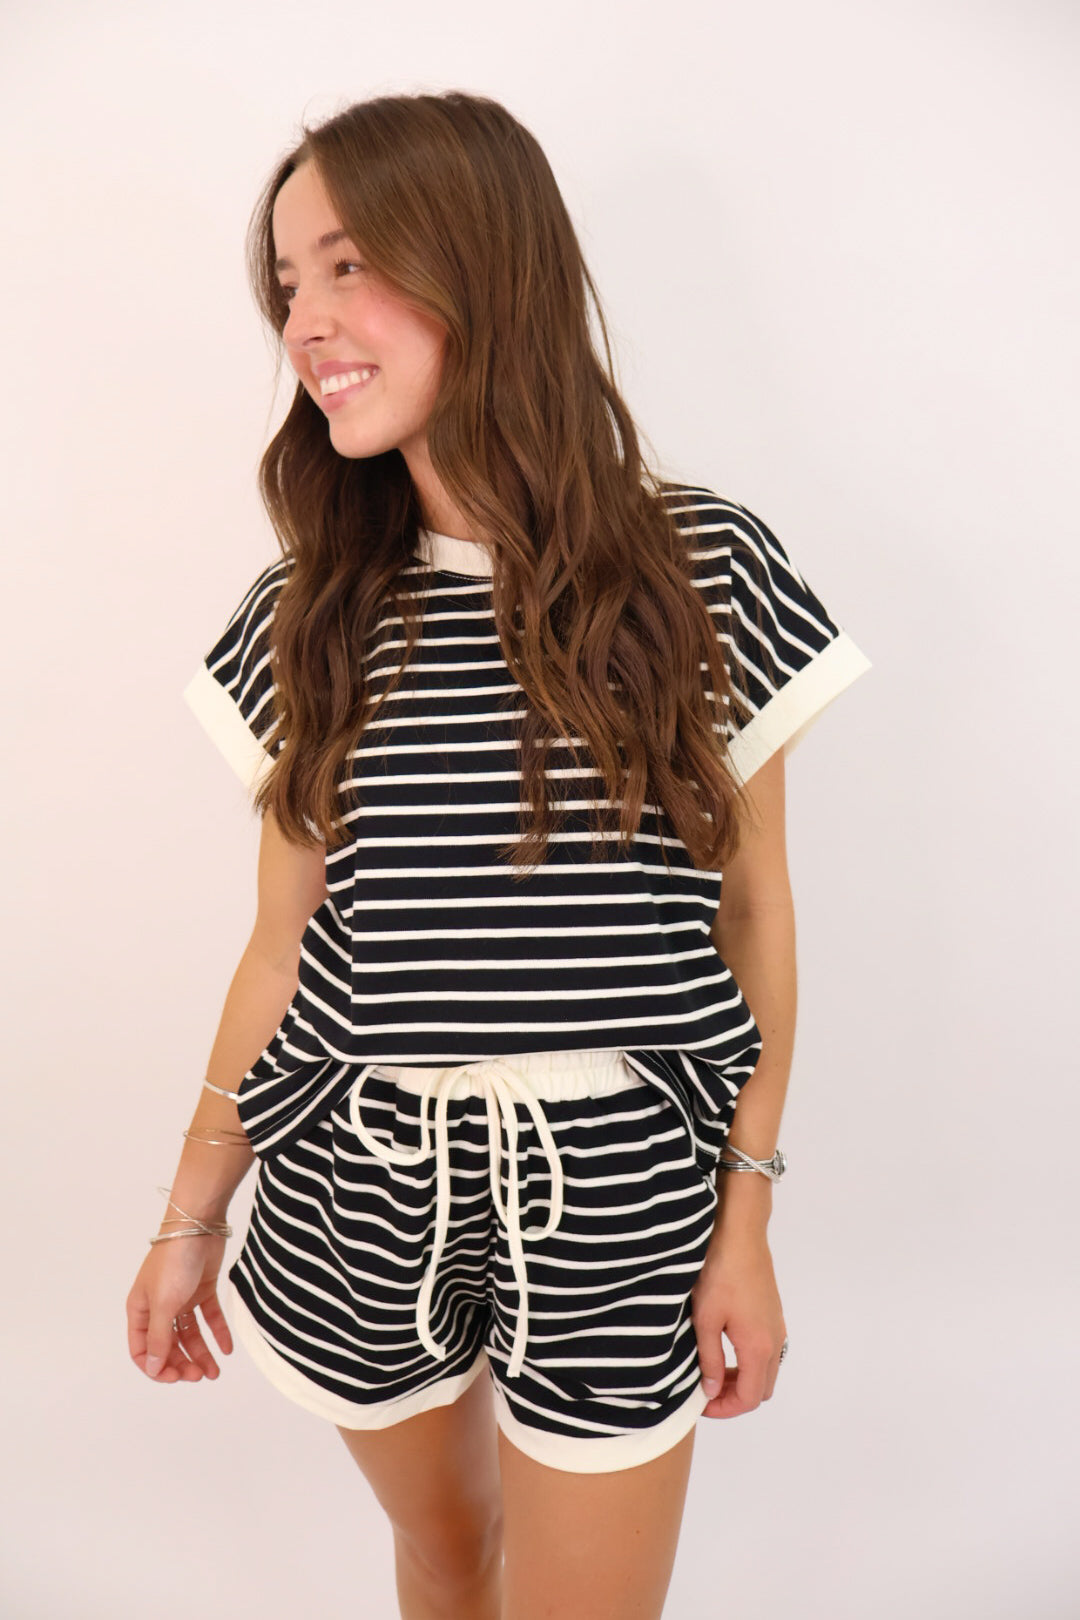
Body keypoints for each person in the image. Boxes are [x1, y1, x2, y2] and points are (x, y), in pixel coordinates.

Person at [126, 90, 871, 1620]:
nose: (304, 322)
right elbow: (283, 949)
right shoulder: (310, 614)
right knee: (449, 1556)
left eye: (347, 265)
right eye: (288, 282)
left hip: (619, 1197)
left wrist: (746, 1219)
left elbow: (752, 913)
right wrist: (191, 1213)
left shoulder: (704, 567)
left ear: (483, 263)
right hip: (354, 1180)